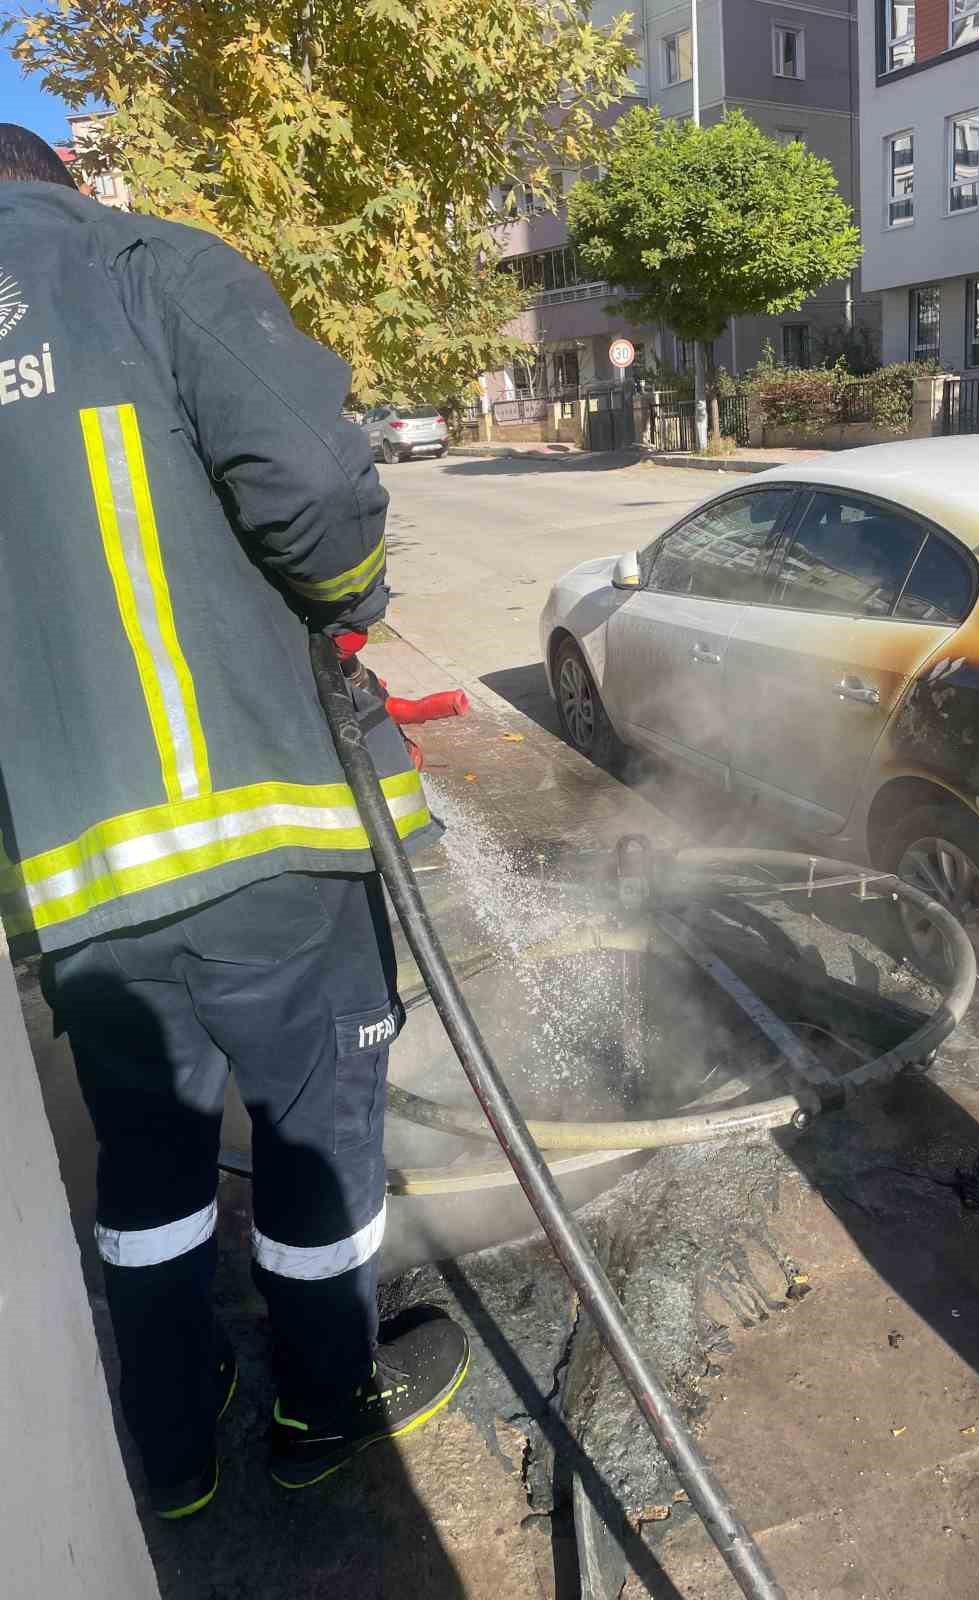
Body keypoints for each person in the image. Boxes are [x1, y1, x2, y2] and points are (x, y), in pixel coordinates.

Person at [0, 124, 469, 1518]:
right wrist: (346, 604)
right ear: (63, 187)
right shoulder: (146, 265)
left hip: (78, 896)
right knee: (316, 1142)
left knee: (145, 1168)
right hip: (265, 845)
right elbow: (320, 493)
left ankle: (176, 1442)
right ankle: (324, 1409)